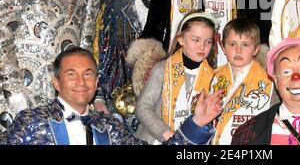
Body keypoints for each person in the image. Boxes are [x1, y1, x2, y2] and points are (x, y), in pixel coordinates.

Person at [1, 46, 223, 145]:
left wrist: (197, 123)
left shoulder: (110, 127)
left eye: (88, 74)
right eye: (71, 74)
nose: (81, 82)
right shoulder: (32, 121)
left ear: (96, 83)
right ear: (56, 82)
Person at [93, 0, 166, 132]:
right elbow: (101, 53)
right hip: (123, 104)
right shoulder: (114, 4)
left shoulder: (178, 3)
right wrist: (98, 96)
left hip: (165, 101)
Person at [135, 11, 218, 144]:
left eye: (208, 42)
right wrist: (167, 134)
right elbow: (142, 107)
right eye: (196, 40)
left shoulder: (213, 77)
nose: (202, 47)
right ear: (181, 40)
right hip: (157, 140)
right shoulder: (162, 69)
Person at [209, 18, 275, 144]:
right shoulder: (212, 77)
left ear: (256, 49)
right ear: (223, 47)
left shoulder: (269, 81)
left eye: (245, 45)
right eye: (232, 44)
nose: (238, 50)